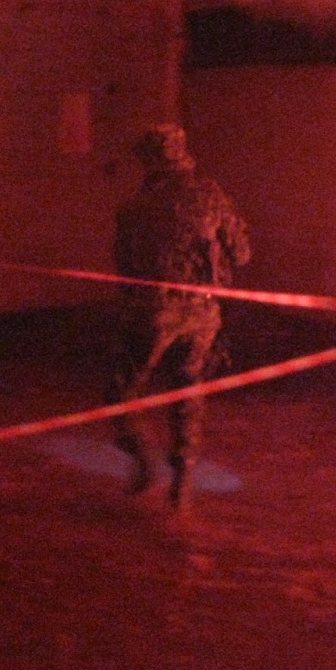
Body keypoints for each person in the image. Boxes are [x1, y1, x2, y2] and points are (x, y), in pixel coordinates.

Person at [109, 123, 250, 512]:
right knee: (188, 391)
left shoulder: (134, 209)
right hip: (204, 313)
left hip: (154, 311)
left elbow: (125, 272)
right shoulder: (211, 196)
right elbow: (241, 254)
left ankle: (144, 462)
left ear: (149, 161)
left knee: (121, 392)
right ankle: (182, 486)